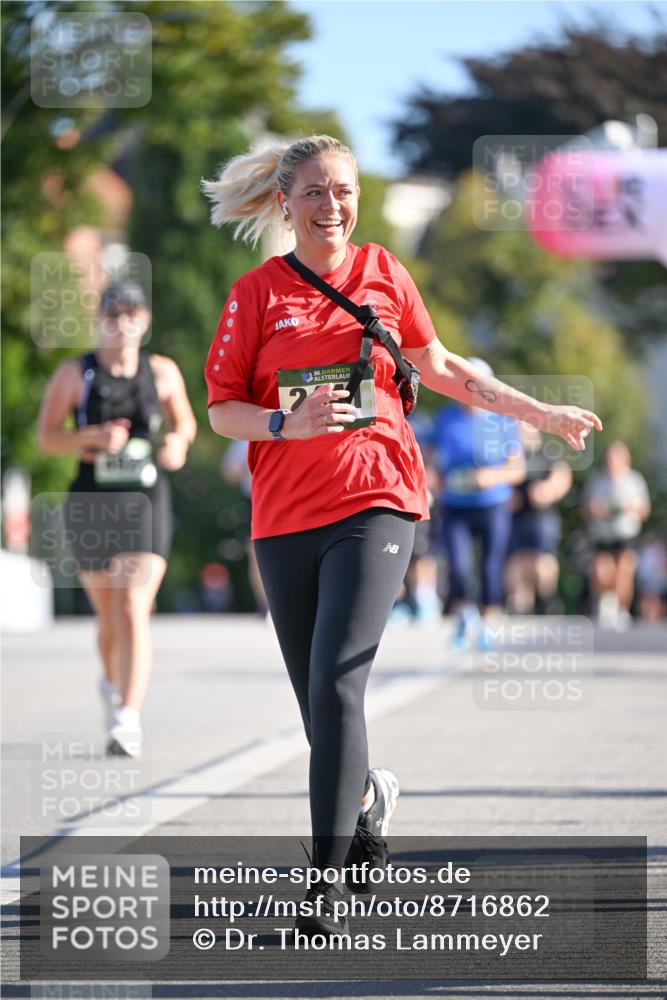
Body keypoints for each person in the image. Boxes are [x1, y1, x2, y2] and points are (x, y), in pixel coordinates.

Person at [202, 134, 601, 937]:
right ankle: (365, 798)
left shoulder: (385, 274)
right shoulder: (255, 294)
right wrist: (284, 421)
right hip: (283, 515)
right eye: (313, 191)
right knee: (318, 701)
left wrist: (537, 412)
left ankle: (324, 887)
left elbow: (446, 368)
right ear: (286, 203)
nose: (330, 205)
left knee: (338, 680)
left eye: (342, 190)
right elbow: (222, 409)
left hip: (376, 497)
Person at [37, 281, 197, 757]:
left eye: (131, 314)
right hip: (91, 501)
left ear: (145, 321)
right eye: (112, 314)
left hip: (145, 500)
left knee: (131, 605)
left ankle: (127, 718)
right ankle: (110, 681)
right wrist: (90, 437)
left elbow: (185, 424)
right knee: (109, 617)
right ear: (99, 321)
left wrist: (177, 444)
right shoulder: (75, 374)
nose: (121, 323)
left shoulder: (162, 372)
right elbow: (48, 437)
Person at [429, 358, 525, 649]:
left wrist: (492, 476)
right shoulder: (445, 419)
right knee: (457, 564)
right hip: (455, 504)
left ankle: (487, 624)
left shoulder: (502, 420)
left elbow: (517, 469)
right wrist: (432, 478)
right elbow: (430, 458)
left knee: (490, 566)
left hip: (492, 504)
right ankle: (462, 617)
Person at [505, 421, 573, 615]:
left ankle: (546, 601)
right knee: (516, 563)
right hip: (517, 516)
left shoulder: (547, 452)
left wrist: (550, 490)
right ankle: (520, 606)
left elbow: (562, 474)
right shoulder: (511, 453)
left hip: (542, 517)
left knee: (543, 562)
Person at [583, 441, 650, 629]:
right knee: (602, 571)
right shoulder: (598, 480)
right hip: (603, 534)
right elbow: (587, 507)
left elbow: (644, 510)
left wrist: (631, 507)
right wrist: (596, 509)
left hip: (625, 533)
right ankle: (605, 602)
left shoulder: (634, 480)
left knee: (623, 571)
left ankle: (622, 609)